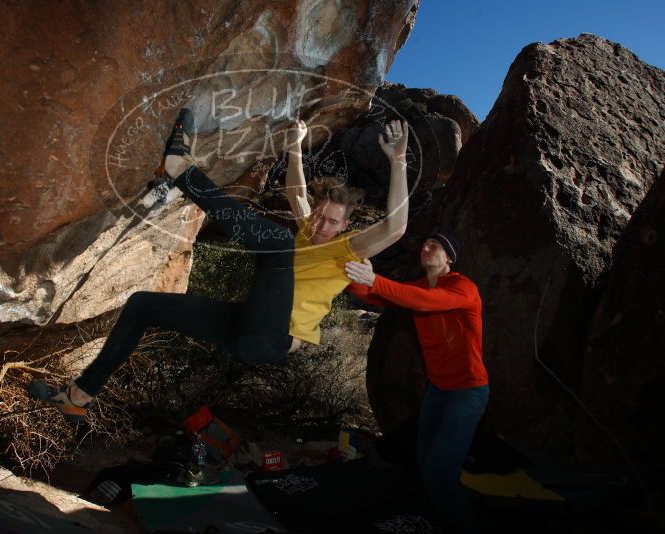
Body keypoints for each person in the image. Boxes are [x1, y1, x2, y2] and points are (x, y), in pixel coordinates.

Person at [28, 108, 410, 423]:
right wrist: (294, 145)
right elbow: (296, 193)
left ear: (346, 225)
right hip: (244, 327)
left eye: (331, 222)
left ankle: (179, 168)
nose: (320, 225)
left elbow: (396, 226)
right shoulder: (308, 230)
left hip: (271, 341)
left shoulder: (348, 247)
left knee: (276, 244)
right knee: (142, 305)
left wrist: (398, 161)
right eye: (320, 216)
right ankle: (78, 395)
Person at [345, 234, 488, 533]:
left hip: (468, 393)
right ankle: (439, 516)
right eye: (423, 244)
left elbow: (425, 302)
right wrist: (350, 273)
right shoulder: (418, 286)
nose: (425, 248)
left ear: (449, 257)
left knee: (440, 470)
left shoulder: (463, 287)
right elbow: (376, 296)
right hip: (437, 390)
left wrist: (374, 278)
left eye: (433, 246)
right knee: (424, 460)